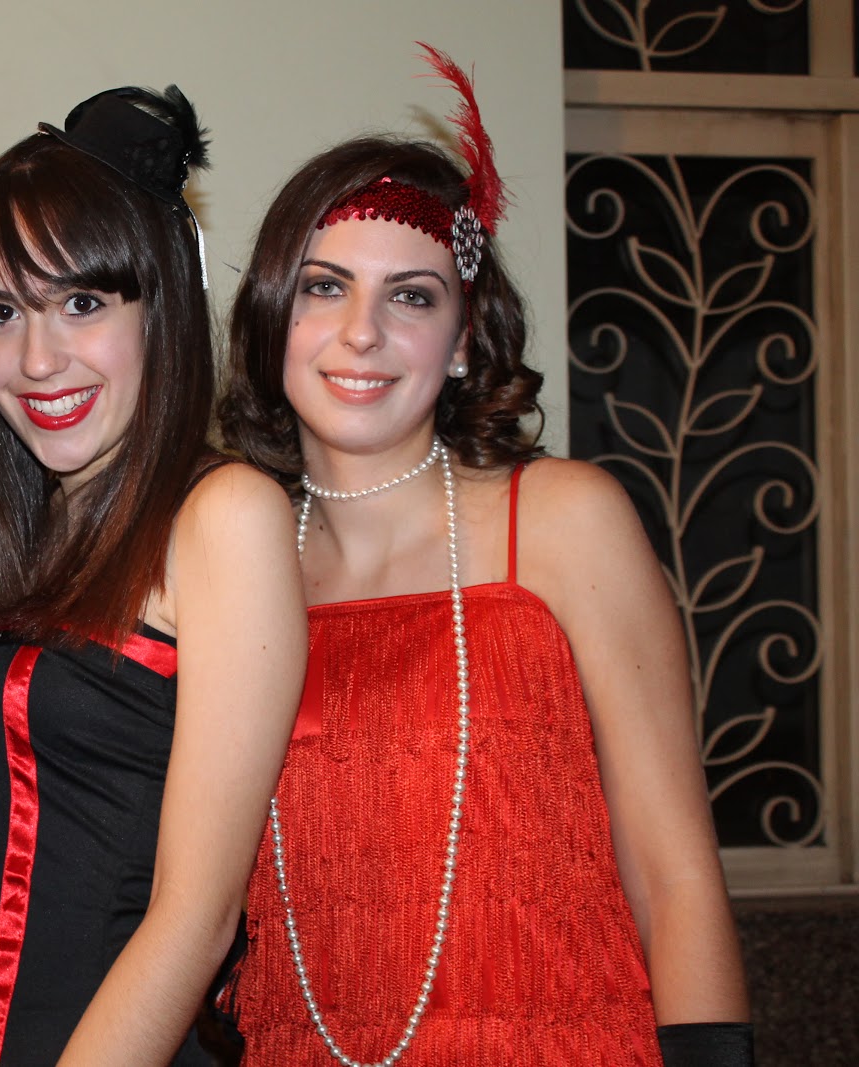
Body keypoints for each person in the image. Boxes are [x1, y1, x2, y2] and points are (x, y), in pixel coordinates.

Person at [217, 45, 753, 1067]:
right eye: (325, 287)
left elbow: (674, 870)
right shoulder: (230, 566)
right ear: (275, 314)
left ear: (463, 338)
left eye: (412, 296)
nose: (362, 333)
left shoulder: (563, 519)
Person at [0, 87, 308, 1067]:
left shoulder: (224, 514)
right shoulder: (27, 527)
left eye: (82, 303)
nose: (37, 359)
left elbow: (197, 916)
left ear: (161, 307)